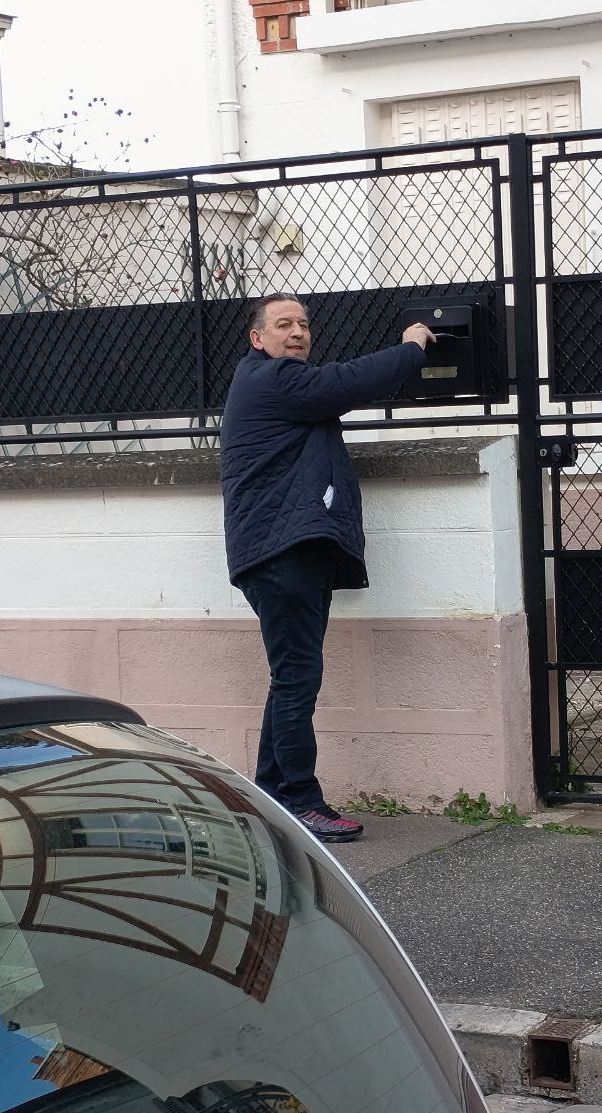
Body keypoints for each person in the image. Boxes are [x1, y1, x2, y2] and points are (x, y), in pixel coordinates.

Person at [220, 294, 435, 843]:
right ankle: (299, 801)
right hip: (282, 553)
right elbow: (348, 381)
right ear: (257, 338)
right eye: (283, 324)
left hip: (287, 550)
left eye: (303, 324)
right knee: (296, 678)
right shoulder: (274, 380)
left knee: (290, 678)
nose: (297, 332)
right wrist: (412, 348)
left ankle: (273, 798)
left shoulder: (274, 383)